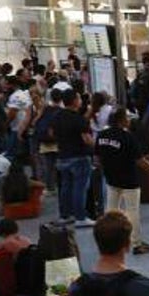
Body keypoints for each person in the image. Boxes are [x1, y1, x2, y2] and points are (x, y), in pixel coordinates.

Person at [98, 108, 149, 255]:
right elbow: (140, 161)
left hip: (111, 179)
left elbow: (98, 158)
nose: (129, 120)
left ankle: (107, 241)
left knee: (110, 211)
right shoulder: (128, 138)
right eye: (127, 118)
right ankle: (136, 243)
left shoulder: (101, 135)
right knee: (132, 211)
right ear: (121, 120)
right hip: (129, 180)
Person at [55, 88, 96, 226]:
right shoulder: (78, 119)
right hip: (79, 156)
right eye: (78, 98)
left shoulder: (58, 116)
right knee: (80, 187)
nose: (80, 101)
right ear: (74, 101)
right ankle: (80, 217)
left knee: (66, 187)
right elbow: (87, 139)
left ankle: (65, 215)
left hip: (62, 156)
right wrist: (97, 148)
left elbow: (50, 132)